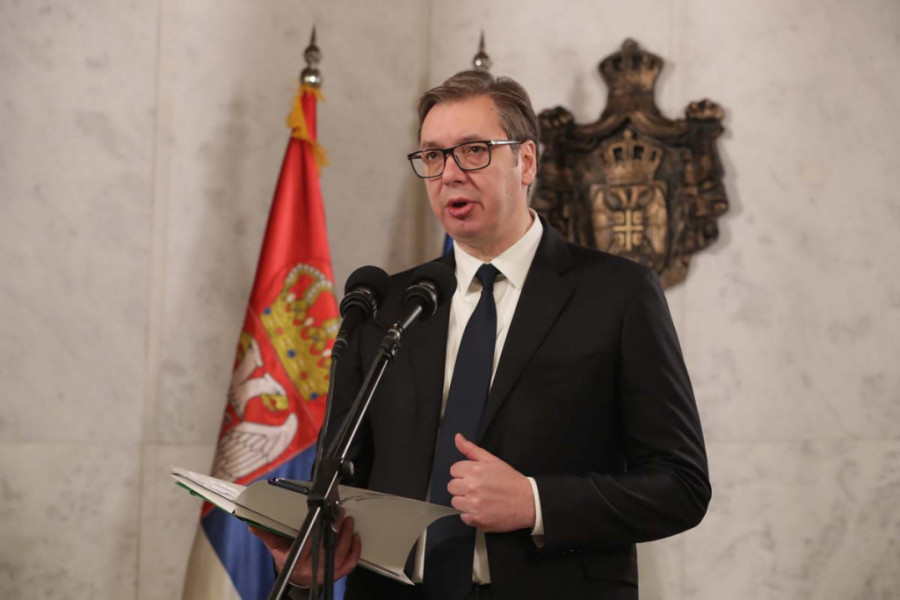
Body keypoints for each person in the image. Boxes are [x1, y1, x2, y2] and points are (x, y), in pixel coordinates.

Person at [252, 70, 711, 600]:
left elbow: (681, 485)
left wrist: (536, 502)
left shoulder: (617, 294)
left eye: (473, 150)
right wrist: (308, 562)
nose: (449, 173)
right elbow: (340, 482)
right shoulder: (387, 305)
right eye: (433, 156)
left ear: (526, 161)